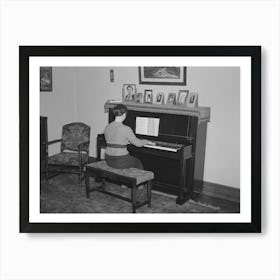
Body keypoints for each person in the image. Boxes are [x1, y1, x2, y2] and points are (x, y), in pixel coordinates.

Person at [104, 104, 153, 169]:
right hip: (120, 160)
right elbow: (138, 144)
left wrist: (125, 141)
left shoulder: (107, 127)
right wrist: (146, 141)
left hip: (108, 159)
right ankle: (140, 178)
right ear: (124, 114)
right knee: (137, 162)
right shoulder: (126, 128)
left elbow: (113, 140)